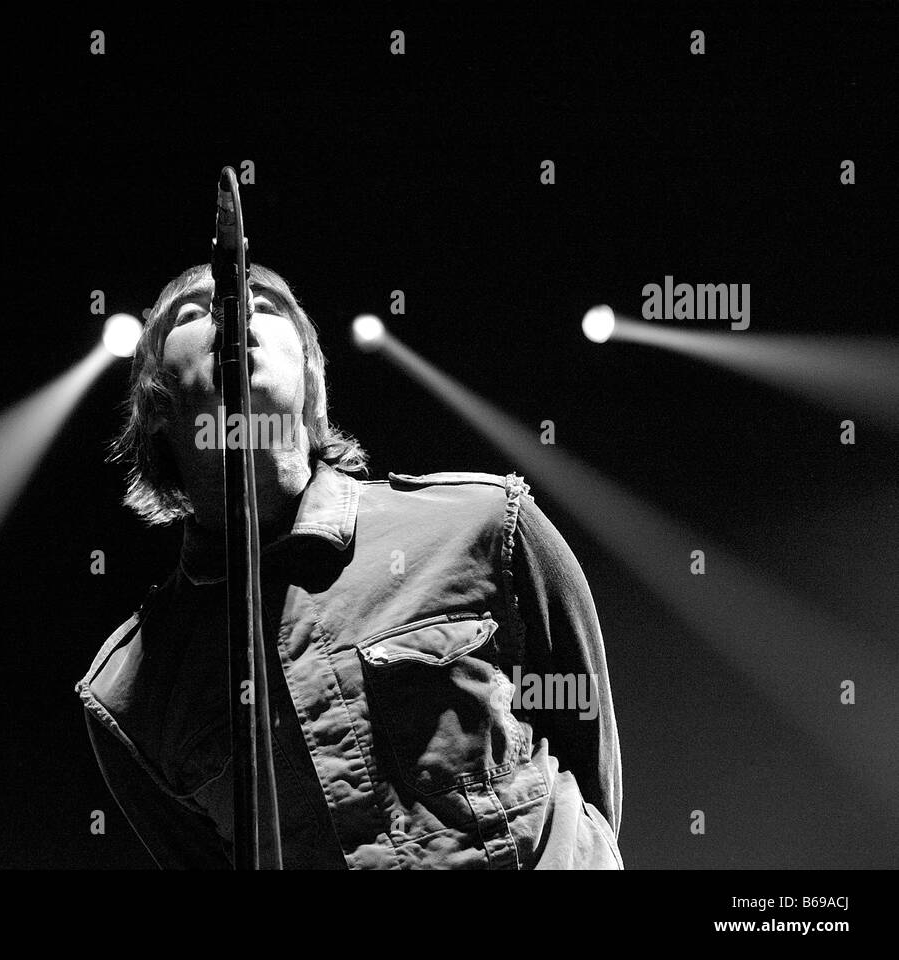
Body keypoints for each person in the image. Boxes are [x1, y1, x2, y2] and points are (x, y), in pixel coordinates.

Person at [75, 262, 623, 869]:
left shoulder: (485, 522)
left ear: (311, 387)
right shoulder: (128, 692)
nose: (233, 310)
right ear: (156, 407)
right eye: (195, 312)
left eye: (262, 304)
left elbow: (589, 783)